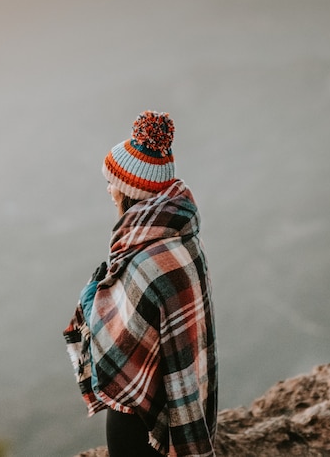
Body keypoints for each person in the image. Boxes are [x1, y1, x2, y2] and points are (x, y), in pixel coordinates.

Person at [63, 111, 218, 457]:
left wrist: (95, 295)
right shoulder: (183, 236)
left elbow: (116, 344)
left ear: (129, 190)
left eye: (111, 181)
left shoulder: (147, 258)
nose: (108, 189)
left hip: (138, 416)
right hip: (168, 395)